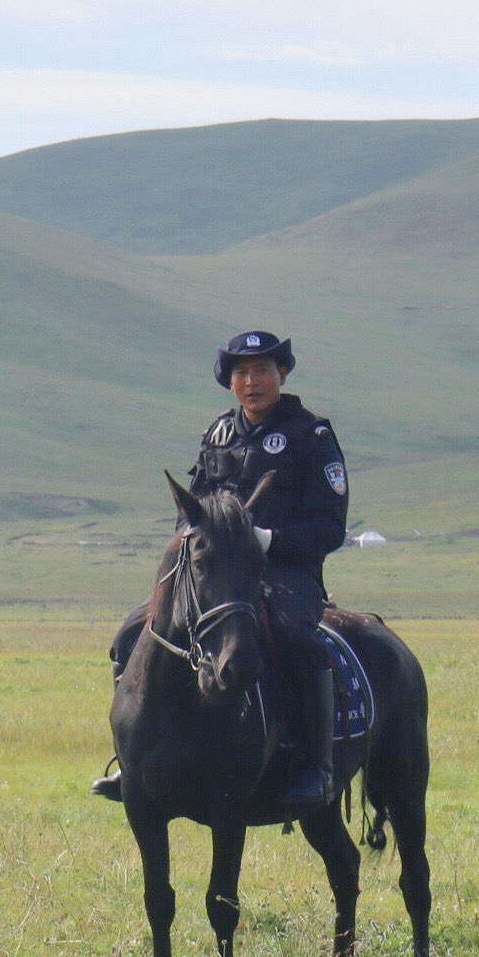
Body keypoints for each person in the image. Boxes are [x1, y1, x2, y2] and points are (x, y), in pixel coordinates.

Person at [91, 330, 349, 808]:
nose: (252, 382)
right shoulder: (217, 434)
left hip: (283, 574)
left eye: (262, 371)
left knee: (296, 639)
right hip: (214, 576)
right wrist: (196, 547)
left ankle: (316, 765)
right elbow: (189, 510)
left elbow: (331, 525)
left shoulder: (311, 435)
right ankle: (130, 758)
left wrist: (271, 541)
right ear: (230, 383)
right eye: (241, 374)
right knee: (133, 634)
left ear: (283, 375)